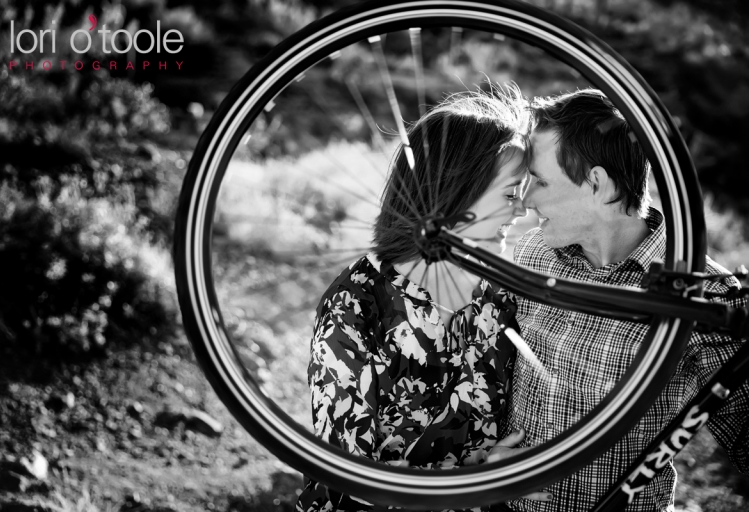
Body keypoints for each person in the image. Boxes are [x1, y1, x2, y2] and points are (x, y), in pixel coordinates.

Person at [295, 88, 551, 512]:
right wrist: (480, 481)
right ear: (454, 192)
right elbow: (346, 479)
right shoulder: (357, 305)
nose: (521, 210)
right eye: (509, 193)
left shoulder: (496, 299)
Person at [502, 89, 749, 512]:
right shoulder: (534, 253)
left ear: (597, 184)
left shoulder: (701, 297)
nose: (525, 199)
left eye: (539, 182)